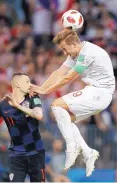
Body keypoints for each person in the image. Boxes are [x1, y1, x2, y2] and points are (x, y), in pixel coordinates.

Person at [30, 28, 115, 176]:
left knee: (56, 105)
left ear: (75, 44)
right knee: (64, 118)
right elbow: (59, 73)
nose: (64, 53)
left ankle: (73, 148)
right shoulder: (76, 52)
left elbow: (68, 78)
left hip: (100, 93)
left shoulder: (88, 53)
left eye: (64, 49)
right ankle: (88, 152)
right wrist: (41, 88)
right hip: (93, 91)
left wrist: (45, 91)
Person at [0, 73, 45, 182]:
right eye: (27, 82)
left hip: (36, 153)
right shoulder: (1, 105)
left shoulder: (34, 98)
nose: (30, 85)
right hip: (17, 155)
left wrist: (17, 106)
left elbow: (39, 115)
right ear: (17, 84)